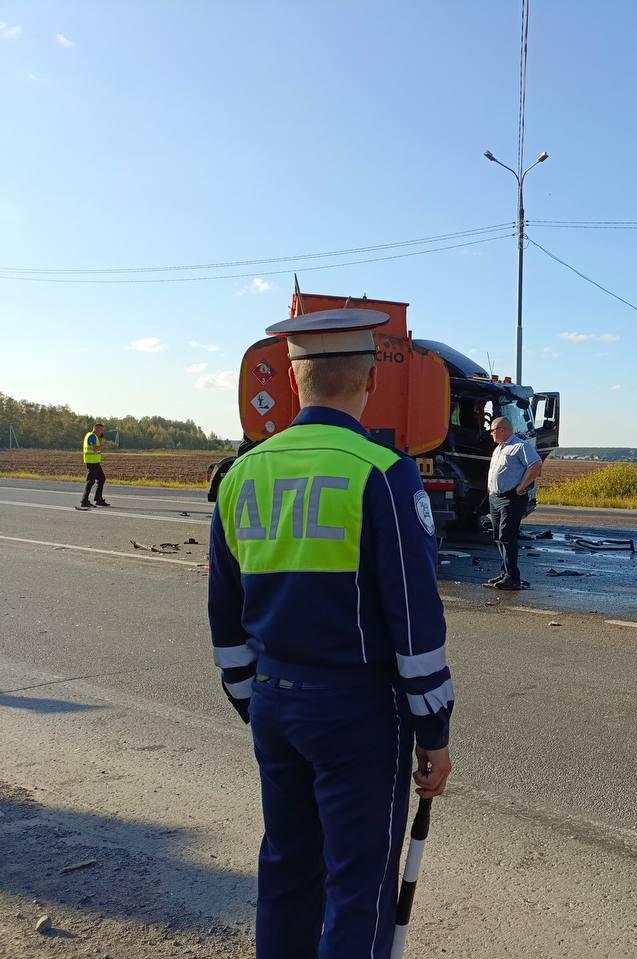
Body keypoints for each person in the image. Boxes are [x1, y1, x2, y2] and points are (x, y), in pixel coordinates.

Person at [207, 308, 454, 959]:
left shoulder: (240, 476)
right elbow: (414, 618)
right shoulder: (381, 471)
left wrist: (254, 697)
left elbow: (225, 620)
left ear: (293, 381)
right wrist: (434, 728)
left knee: (286, 871)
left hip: (272, 703)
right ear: (368, 379)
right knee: (359, 887)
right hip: (357, 712)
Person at [486, 415, 542, 590]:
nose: (490, 434)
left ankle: (513, 578)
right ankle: (505, 573)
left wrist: (522, 486)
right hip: (495, 497)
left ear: (502, 430)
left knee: (507, 536)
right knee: (498, 536)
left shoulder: (520, 446)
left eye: (492, 430)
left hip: (511, 497)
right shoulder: (499, 448)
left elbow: (536, 464)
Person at [78, 423, 110, 509]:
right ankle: (84, 501)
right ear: (96, 429)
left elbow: (96, 446)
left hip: (95, 462)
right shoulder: (91, 436)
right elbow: (95, 448)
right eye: (101, 430)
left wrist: (100, 439)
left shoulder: (95, 436)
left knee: (101, 479)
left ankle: (98, 499)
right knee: (90, 481)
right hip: (91, 462)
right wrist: (103, 446)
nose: (102, 432)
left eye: (103, 430)